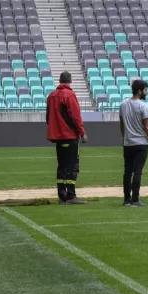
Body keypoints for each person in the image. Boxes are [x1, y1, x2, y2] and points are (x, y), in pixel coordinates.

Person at [46, 71, 88, 205]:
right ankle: (71, 196)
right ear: (70, 81)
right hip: (69, 136)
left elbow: (48, 117)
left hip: (58, 137)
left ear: (59, 81)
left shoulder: (51, 95)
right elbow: (75, 116)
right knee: (72, 167)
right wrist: (82, 133)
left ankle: (62, 196)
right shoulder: (69, 95)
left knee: (62, 167)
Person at [120, 79, 148, 207]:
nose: (146, 92)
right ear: (139, 91)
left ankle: (126, 199)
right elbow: (147, 126)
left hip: (128, 143)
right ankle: (135, 200)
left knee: (128, 171)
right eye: (145, 90)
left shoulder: (123, 104)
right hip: (141, 143)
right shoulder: (143, 106)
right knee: (138, 171)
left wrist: (124, 137)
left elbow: (122, 124)